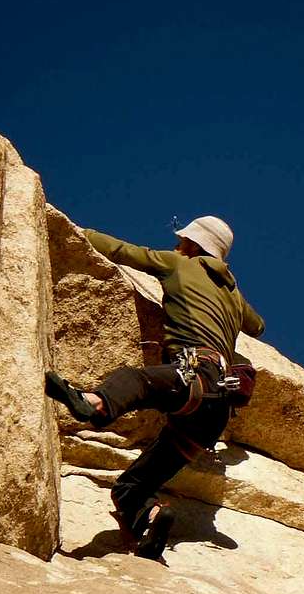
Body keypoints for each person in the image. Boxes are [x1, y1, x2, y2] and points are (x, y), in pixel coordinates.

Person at [46, 216, 265, 560]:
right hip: (215, 414)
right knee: (133, 485)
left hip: (192, 377)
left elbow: (122, 251)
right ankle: (149, 522)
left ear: (194, 246)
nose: (178, 245)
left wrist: (74, 231)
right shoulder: (235, 296)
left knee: (133, 380)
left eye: (183, 241)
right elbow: (258, 325)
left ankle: (93, 403)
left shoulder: (179, 263)